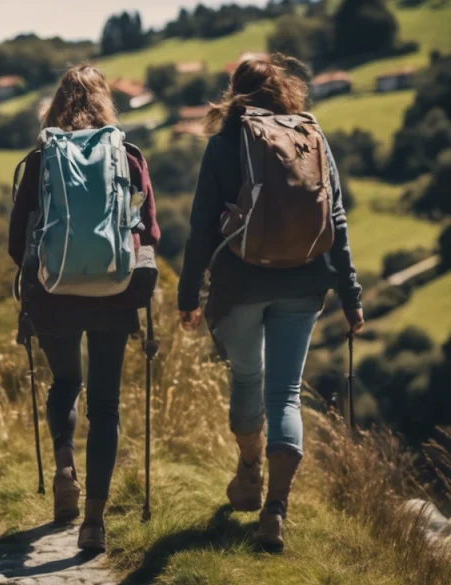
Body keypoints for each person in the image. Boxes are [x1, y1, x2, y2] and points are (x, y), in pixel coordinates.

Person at [176, 54, 364, 553]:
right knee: (284, 394)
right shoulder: (311, 137)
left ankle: (249, 469)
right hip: (304, 283)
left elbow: (200, 230)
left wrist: (188, 295)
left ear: (233, 94)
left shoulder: (223, 146)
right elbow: (336, 220)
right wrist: (351, 296)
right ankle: (275, 512)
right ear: (283, 89)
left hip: (239, 285)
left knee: (247, 378)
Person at [8, 64, 160, 552]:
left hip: (54, 293)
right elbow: (150, 234)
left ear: (56, 104)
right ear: (105, 102)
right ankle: (93, 522)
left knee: (66, 383)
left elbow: (17, 239)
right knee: (106, 405)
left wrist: (45, 271)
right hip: (113, 295)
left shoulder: (41, 157)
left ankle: (63, 467)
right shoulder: (128, 156)